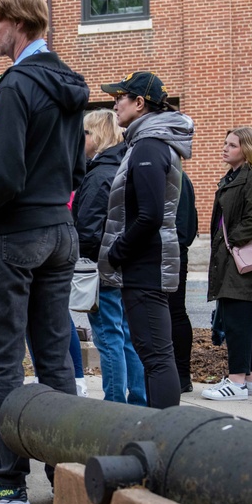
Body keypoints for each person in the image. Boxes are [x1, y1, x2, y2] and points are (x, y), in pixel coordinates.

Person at [0, 0, 88, 504]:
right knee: (56, 358)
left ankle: (8, 478)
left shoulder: (16, 85)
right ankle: (68, 477)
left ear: (15, 21)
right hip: (60, 232)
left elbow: (4, 176)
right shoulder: (69, 84)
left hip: (12, 237)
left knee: (3, 361)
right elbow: (78, 167)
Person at [99, 71, 194, 410]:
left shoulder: (148, 147)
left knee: (156, 357)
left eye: (119, 97)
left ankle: (163, 438)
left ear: (139, 103)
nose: (115, 103)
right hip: (146, 265)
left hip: (144, 267)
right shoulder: (146, 144)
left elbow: (151, 215)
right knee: (155, 354)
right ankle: (161, 433)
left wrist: (118, 250)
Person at [73, 109, 147, 406]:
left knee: (108, 337)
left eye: (86, 133)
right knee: (126, 336)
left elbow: (88, 231)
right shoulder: (123, 167)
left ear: (98, 136)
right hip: (122, 264)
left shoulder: (99, 174)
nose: (83, 140)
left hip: (101, 268)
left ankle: (115, 402)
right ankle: (137, 399)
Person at [202, 127, 252, 401]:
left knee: (237, 320)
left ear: (246, 149)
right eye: (225, 143)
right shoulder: (232, 177)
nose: (225, 148)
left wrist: (229, 243)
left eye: (232, 145)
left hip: (242, 259)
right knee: (245, 319)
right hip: (231, 257)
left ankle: (236, 382)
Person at [171, 169, 198, 392]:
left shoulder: (177, 177)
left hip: (172, 254)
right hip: (172, 252)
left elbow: (184, 226)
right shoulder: (177, 175)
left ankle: (181, 375)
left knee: (175, 313)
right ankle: (179, 375)